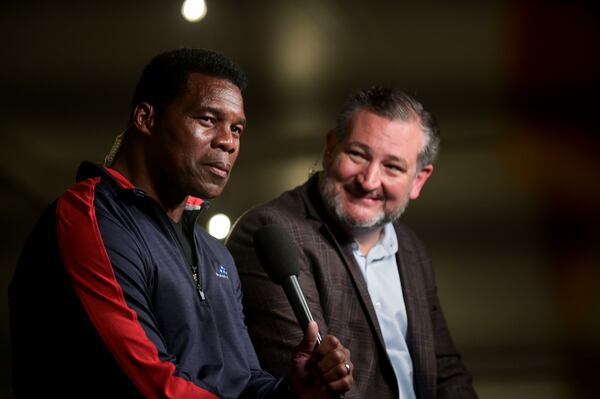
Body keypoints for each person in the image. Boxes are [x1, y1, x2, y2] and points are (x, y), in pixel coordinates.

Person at [8, 48, 353, 399]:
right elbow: (151, 385)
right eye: (207, 119)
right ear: (146, 118)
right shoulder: (91, 216)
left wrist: (296, 392)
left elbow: (242, 380)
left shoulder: (214, 254)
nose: (228, 141)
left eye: (237, 128)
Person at [227, 87, 478, 399]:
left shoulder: (411, 249)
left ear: (419, 180)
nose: (369, 181)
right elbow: (318, 383)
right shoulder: (271, 232)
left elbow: (445, 370)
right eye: (358, 154)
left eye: (393, 167)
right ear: (331, 148)